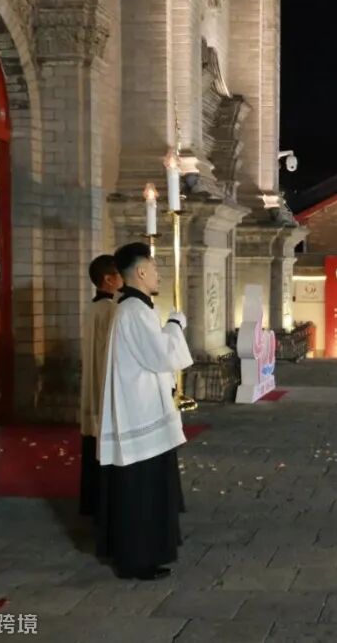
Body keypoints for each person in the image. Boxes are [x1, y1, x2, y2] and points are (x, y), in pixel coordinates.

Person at [97, 242, 193, 580]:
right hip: (140, 414)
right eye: (153, 268)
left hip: (143, 409)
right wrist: (175, 324)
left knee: (147, 489)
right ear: (140, 271)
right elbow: (162, 356)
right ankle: (137, 558)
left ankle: (147, 553)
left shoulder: (133, 309)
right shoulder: (135, 311)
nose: (158, 274)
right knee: (142, 491)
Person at [79, 255, 123, 517]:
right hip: (103, 385)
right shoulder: (111, 310)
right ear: (108, 279)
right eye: (120, 275)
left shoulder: (92, 307)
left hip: (93, 386)